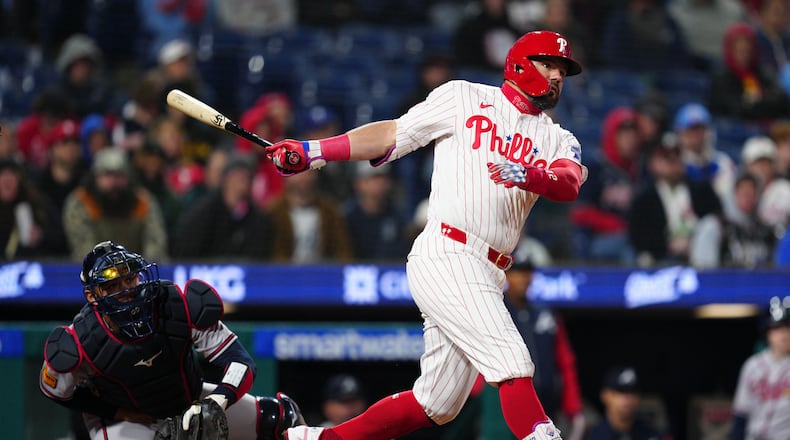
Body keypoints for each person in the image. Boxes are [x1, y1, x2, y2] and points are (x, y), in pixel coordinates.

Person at [266, 30, 587, 440]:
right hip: (448, 251)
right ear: (522, 63)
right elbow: (391, 135)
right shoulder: (463, 96)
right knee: (513, 360)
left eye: (563, 70)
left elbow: (568, 181)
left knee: (437, 404)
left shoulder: (558, 137)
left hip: (490, 271)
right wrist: (314, 152)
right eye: (550, 64)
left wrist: (531, 173)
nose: (558, 75)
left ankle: (313, 438)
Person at [38, 241, 304, 439]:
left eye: (130, 279)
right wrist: (115, 412)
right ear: (92, 296)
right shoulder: (80, 339)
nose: (127, 291)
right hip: (130, 420)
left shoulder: (176, 303)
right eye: (112, 286)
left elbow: (241, 362)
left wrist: (216, 402)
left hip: (190, 401)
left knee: (281, 418)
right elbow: (55, 390)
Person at [480, 252, 586, 440]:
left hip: (545, 407)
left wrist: (573, 406)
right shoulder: (493, 309)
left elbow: (565, 362)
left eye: (527, 272)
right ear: (507, 275)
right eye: (517, 272)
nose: (523, 278)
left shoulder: (546, 314)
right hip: (504, 406)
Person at [62, 148, 169, 261]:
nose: (114, 182)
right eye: (108, 175)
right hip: (96, 272)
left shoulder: (143, 202)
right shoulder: (81, 202)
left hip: (136, 271)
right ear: (96, 177)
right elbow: (83, 249)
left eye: (119, 176)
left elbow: (155, 246)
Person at [171, 153, 273, 260]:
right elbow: (184, 252)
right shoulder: (203, 213)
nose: (244, 179)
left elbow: (259, 262)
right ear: (226, 177)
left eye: (248, 176)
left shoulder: (257, 220)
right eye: (238, 173)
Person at [730, 296, 790, 440]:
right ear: (768, 334)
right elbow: (741, 413)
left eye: (787, 328)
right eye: (777, 329)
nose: (783, 335)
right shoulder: (752, 366)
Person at [584, 366, 666, 440]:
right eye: (620, 392)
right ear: (605, 395)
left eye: (632, 392)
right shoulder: (593, 436)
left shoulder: (651, 434)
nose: (627, 398)